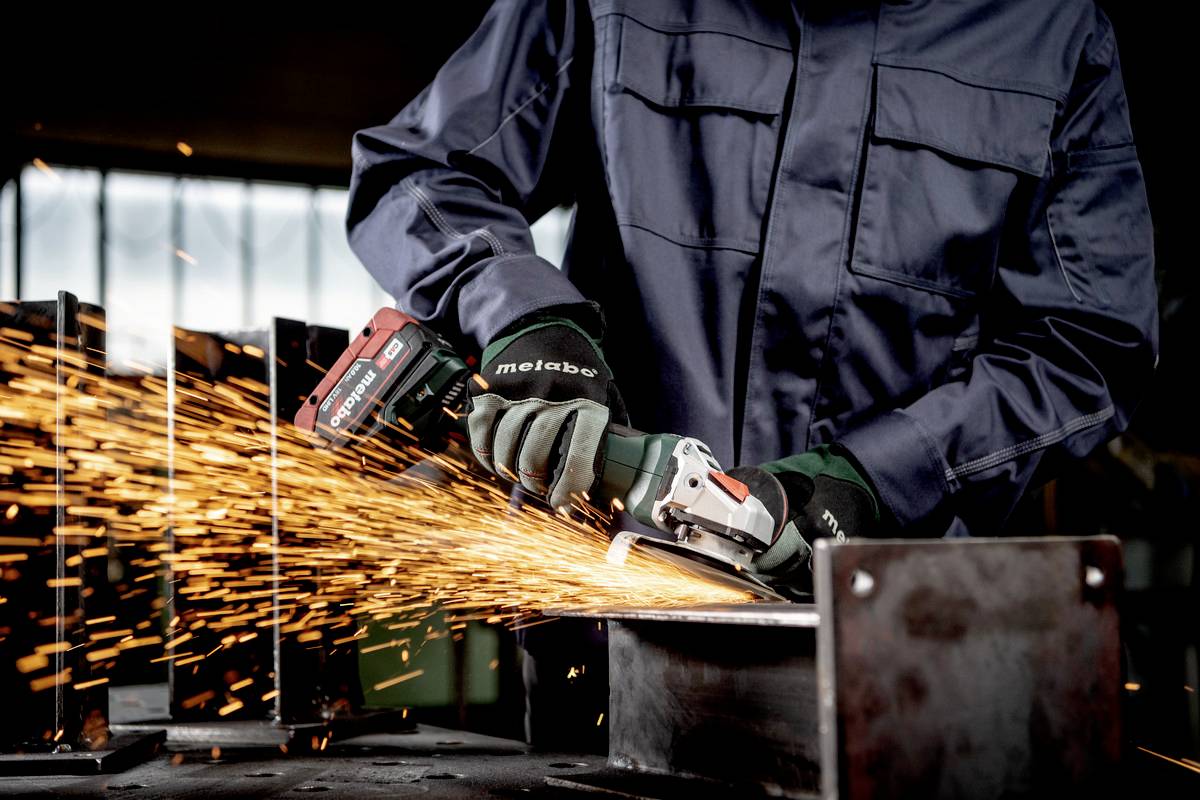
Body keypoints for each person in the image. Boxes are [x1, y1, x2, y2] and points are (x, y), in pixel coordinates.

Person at [347, 0, 1155, 597]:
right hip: (594, 600)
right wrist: (529, 317)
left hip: (890, 616)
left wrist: (875, 480)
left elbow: (1089, 344)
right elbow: (417, 173)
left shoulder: (1053, 32)